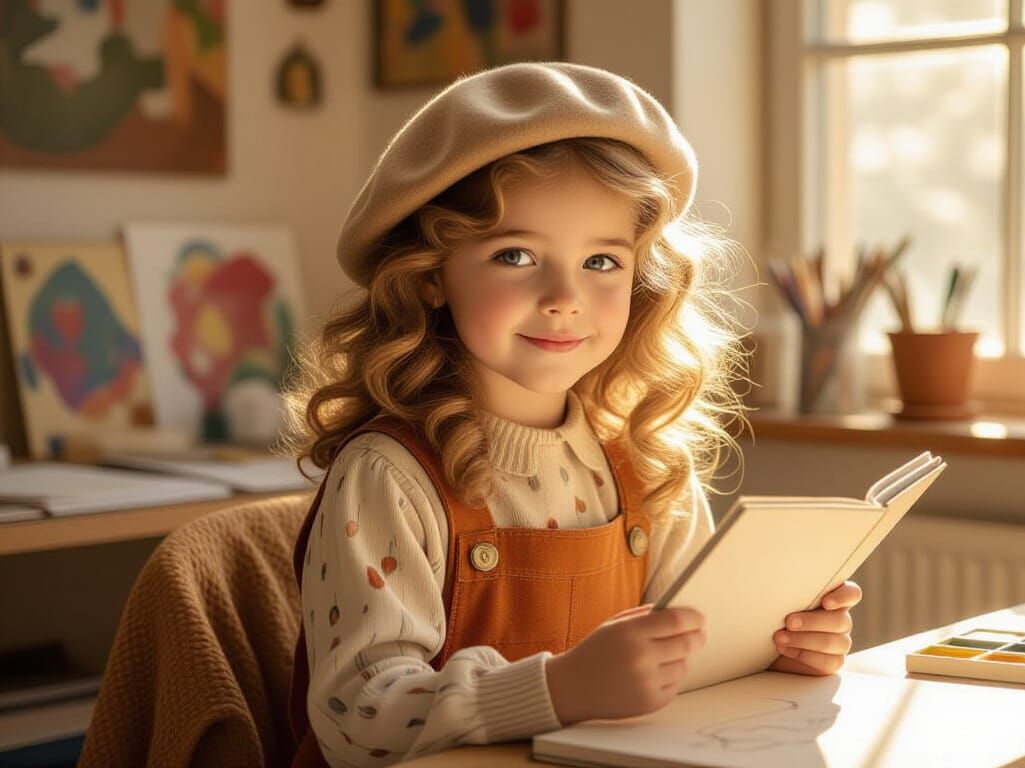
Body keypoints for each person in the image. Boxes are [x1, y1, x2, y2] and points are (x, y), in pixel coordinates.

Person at [281, 62, 863, 767]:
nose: (565, 296)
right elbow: (360, 720)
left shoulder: (644, 462)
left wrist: (775, 652)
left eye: (602, 262)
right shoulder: (388, 475)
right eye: (517, 254)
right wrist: (553, 689)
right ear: (431, 274)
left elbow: (692, 654)